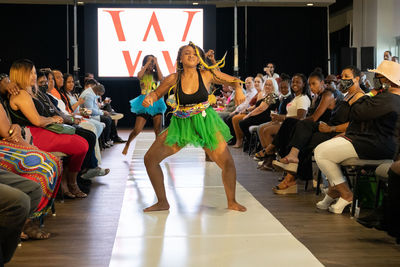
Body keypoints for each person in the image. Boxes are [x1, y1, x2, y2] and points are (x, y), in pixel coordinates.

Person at [141, 42, 246, 212]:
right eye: (187, 53)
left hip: (205, 123)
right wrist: (150, 98)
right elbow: (156, 93)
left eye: (195, 54)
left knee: (227, 163)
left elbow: (233, 80)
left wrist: (239, 90)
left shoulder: (206, 74)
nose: (191, 56)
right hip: (181, 124)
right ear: (180, 59)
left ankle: (232, 201)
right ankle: (162, 202)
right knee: (150, 159)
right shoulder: (173, 78)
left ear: (199, 59)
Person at [315, 60, 400, 214]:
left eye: (378, 77)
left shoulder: (388, 99)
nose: (375, 80)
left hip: (376, 145)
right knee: (326, 148)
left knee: (321, 152)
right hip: (374, 142)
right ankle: (336, 189)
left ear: (387, 81)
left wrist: (372, 92)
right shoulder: (388, 97)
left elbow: (357, 111)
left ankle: (346, 194)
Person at [271, 67, 363, 194]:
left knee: (304, 137)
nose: (343, 79)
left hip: (338, 133)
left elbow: (355, 124)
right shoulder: (347, 95)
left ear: (357, 79)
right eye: (342, 76)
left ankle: (290, 178)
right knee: (301, 127)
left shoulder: (360, 97)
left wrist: (331, 128)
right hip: (328, 127)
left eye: (347, 76)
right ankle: (292, 159)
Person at [7, 59, 89, 198]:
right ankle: (71, 183)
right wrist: (52, 119)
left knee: (82, 143)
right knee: (81, 145)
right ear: (20, 75)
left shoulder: (31, 92)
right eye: (30, 73)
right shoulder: (21, 94)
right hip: (31, 134)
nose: (34, 76)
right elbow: (37, 121)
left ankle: (68, 182)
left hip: (40, 131)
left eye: (34, 72)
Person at [122, 55, 166, 155]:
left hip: (155, 102)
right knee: (137, 130)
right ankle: (128, 144)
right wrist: (147, 64)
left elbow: (161, 78)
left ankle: (157, 150)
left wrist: (156, 62)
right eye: (149, 61)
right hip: (143, 102)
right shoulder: (142, 73)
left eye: (152, 62)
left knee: (157, 130)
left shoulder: (156, 74)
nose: (151, 64)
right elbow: (139, 76)